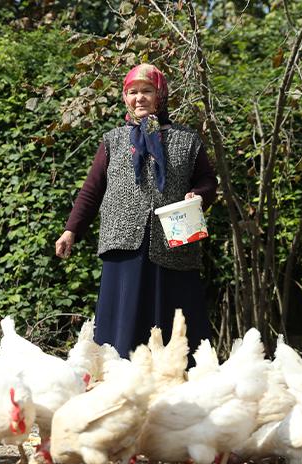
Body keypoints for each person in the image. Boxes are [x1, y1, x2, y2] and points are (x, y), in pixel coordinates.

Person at [54, 63, 217, 358]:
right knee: (123, 325)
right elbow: (92, 189)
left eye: (147, 91)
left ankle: (179, 381)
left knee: (174, 324)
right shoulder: (113, 141)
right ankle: (120, 378)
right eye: (132, 92)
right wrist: (71, 229)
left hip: (174, 245)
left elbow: (208, 180)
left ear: (160, 96)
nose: (139, 98)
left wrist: (200, 195)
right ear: (125, 98)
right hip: (124, 246)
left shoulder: (186, 139)